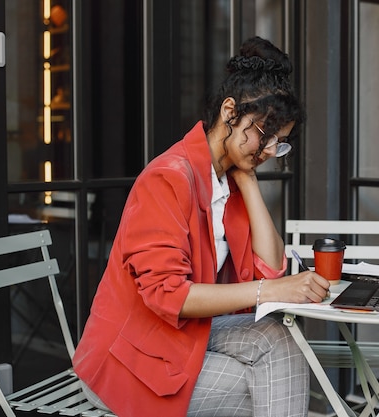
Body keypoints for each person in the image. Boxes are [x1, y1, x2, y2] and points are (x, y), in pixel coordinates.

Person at [72, 36, 330, 417]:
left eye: (280, 142)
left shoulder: (228, 179)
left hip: (182, 338)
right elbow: (169, 294)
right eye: (263, 134)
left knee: (280, 342)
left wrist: (249, 181)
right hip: (127, 359)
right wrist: (270, 289)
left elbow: (271, 266)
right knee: (272, 383)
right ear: (229, 111)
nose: (270, 151)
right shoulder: (168, 178)